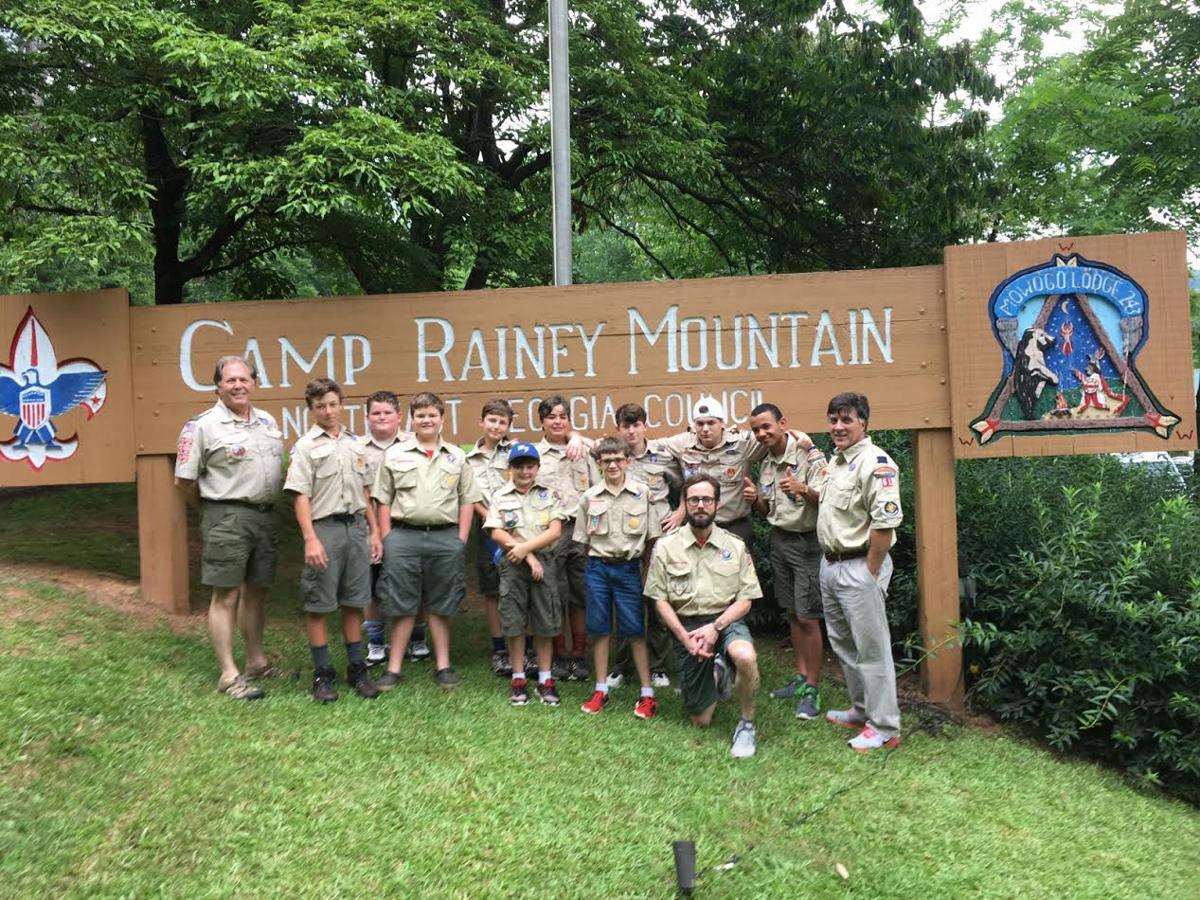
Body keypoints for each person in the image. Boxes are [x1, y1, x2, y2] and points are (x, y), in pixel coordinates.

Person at [174, 355, 287, 701]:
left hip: (264, 517)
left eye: (244, 379)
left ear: (254, 382)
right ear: (218, 386)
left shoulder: (266, 421)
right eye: (230, 380)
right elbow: (183, 481)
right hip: (226, 516)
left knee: (256, 591)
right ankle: (228, 673)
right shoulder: (201, 426)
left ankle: (256, 661)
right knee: (226, 595)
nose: (238, 385)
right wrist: (212, 511)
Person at [644, 474, 763, 758]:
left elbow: (746, 599)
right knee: (701, 720)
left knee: (745, 656)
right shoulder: (665, 546)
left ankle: (746, 725)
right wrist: (683, 637)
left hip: (725, 620)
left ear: (717, 504)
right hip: (687, 628)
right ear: (684, 504)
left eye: (706, 499)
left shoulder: (734, 545)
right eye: (693, 499)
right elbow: (659, 599)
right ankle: (719, 673)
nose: (700, 505)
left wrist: (716, 627)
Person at [372, 392, 481, 690]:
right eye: (420, 416)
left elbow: (467, 500)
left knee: (441, 603)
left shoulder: (456, 456)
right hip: (404, 537)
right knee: (401, 603)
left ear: (442, 419)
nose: (426, 420)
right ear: (412, 420)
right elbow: (383, 499)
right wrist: (386, 537)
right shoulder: (395, 455)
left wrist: (460, 538)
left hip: (445, 537)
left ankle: (443, 665)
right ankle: (393, 668)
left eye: (432, 415)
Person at [284, 378, 383, 702]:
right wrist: (310, 539)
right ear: (311, 410)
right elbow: (301, 496)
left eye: (332, 404)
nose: (327, 411)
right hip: (323, 529)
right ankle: (323, 673)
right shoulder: (306, 447)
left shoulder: (356, 444)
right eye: (320, 406)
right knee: (320, 603)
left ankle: (357, 669)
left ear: (342, 404)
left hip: (355, 528)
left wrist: (374, 532)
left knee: (355, 601)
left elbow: (366, 493)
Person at [816, 392, 903, 752]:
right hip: (832, 564)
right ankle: (861, 709)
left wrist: (870, 571)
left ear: (863, 423)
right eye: (834, 419)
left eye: (846, 420)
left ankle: (884, 726)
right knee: (845, 646)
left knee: (872, 650)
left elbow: (885, 522)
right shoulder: (837, 462)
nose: (838, 426)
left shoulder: (876, 463)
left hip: (860, 566)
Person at [747, 403, 828, 719]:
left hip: (806, 543)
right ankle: (800, 675)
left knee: (809, 617)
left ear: (783, 423)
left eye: (766, 426)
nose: (762, 433)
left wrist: (802, 488)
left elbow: (830, 497)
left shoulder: (807, 453)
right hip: (779, 540)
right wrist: (757, 502)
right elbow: (768, 512)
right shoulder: (766, 464)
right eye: (756, 429)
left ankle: (813, 688)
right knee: (793, 613)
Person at [575, 437, 661, 719]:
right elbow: (583, 541)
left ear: (627, 461)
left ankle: (647, 694)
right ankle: (601, 689)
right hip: (598, 568)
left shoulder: (642, 493)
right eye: (606, 460)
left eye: (617, 459)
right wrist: (595, 565)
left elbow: (651, 540)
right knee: (599, 629)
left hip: (628, 569)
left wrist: (647, 575)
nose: (612, 465)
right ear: (598, 463)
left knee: (635, 630)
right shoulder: (589, 497)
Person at [484, 442, 567, 706]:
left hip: (544, 561)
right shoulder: (500, 496)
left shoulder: (549, 494)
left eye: (530, 466)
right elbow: (496, 531)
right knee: (514, 622)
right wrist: (524, 555)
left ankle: (545, 679)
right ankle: (518, 678)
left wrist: (527, 550)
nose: (525, 471)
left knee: (545, 622)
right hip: (512, 563)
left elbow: (554, 531)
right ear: (510, 468)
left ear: (537, 468)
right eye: (519, 466)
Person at [606, 403, 679, 690]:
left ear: (645, 426)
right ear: (619, 428)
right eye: (626, 425)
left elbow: (689, 483)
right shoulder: (615, 455)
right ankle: (623, 665)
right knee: (626, 600)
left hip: (658, 537)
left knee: (657, 600)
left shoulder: (662, 456)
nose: (632, 430)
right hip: (625, 538)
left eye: (636, 425)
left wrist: (681, 512)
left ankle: (657, 666)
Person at [535, 395, 597, 680]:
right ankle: (560, 655)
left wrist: (577, 437)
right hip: (551, 530)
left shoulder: (585, 450)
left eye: (563, 416)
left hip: (583, 530)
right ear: (542, 422)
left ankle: (578, 657)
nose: (557, 421)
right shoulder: (535, 455)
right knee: (555, 595)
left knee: (579, 594)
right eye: (551, 417)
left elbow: (598, 491)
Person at [659, 397, 770, 546]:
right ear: (693, 425)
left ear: (722, 423)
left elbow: (776, 438)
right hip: (696, 527)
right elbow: (648, 447)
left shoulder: (742, 443)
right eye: (700, 423)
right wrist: (682, 508)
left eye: (711, 423)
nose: (705, 429)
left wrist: (807, 446)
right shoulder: (683, 444)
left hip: (734, 527)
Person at [466, 399, 517, 676]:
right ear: (481, 422)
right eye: (492, 421)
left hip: (518, 530)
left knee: (520, 588)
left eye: (502, 422)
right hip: (487, 530)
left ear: (508, 426)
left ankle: (526, 648)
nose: (496, 426)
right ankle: (499, 650)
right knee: (492, 591)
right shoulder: (468, 460)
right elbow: (469, 494)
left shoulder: (516, 452)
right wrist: (487, 516)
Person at [357, 390, 406, 666]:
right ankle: (376, 642)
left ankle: (416, 638)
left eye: (388, 412)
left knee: (412, 585)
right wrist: (375, 529)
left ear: (399, 416)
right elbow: (361, 491)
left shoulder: (413, 443)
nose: (382, 417)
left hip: (407, 525)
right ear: (367, 418)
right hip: (369, 527)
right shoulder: (358, 449)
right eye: (376, 413)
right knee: (372, 587)